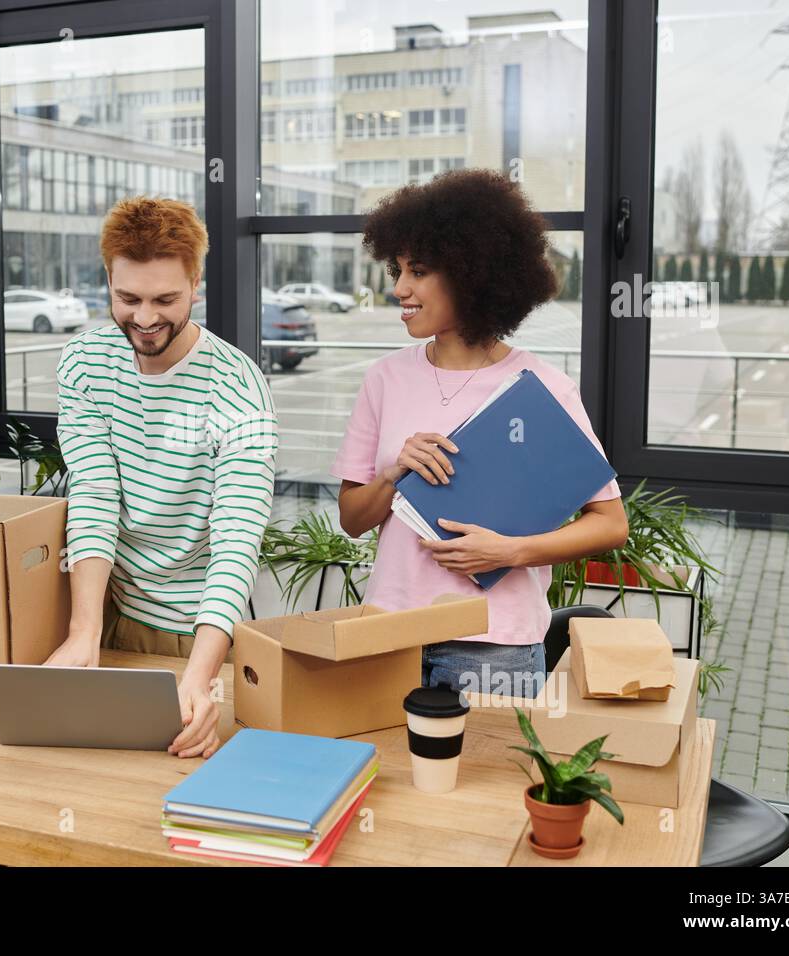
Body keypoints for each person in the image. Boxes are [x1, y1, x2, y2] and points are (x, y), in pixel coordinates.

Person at [331, 169, 628, 699]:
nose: (399, 289)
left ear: (472, 274)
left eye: (417, 272)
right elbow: (353, 520)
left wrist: (509, 552)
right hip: (388, 631)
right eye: (397, 270)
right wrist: (393, 473)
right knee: (390, 778)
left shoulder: (542, 388)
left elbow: (609, 525)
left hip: (495, 644)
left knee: (488, 784)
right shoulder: (384, 379)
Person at [44, 196, 278, 759]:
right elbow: (96, 496)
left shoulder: (238, 387)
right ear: (108, 280)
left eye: (165, 299)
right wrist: (84, 632)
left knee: (177, 776)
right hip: (108, 608)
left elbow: (237, 540)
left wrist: (200, 675)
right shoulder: (84, 364)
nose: (145, 319)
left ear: (195, 284)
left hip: (197, 628)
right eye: (128, 298)